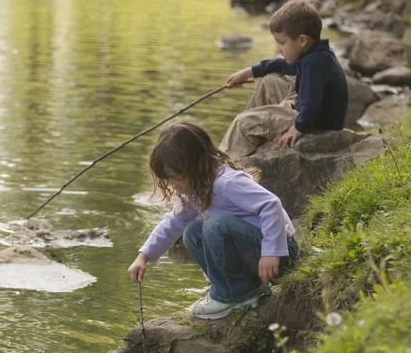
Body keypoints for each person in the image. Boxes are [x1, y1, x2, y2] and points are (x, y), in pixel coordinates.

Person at [127, 122, 298, 320]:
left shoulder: (226, 183)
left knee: (215, 225)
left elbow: (270, 205)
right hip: (255, 255)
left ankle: (233, 295)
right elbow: (172, 223)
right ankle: (233, 287)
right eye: (169, 180)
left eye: (178, 178)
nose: (174, 186)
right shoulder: (197, 190)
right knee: (192, 232)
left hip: (280, 253)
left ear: (197, 166)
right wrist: (144, 256)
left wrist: (271, 252)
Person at [219, 0, 349, 160]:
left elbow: (311, 105)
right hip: (310, 110)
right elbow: (281, 65)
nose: (277, 49)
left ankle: (223, 166)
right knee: (270, 81)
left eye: (281, 43)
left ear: (302, 40)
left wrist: (298, 127)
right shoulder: (315, 53)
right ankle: (250, 137)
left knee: (242, 122)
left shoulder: (312, 64)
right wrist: (249, 72)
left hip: (315, 123)